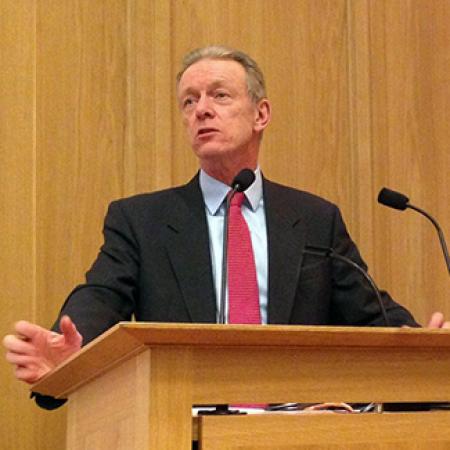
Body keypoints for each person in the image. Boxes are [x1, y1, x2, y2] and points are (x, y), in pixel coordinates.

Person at [3, 46, 449, 409]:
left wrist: (423, 352)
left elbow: (369, 312)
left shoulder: (313, 218)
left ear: (261, 114)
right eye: (189, 101)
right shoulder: (142, 221)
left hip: (298, 429)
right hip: (182, 428)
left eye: (219, 96)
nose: (201, 111)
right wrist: (70, 351)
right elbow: (100, 296)